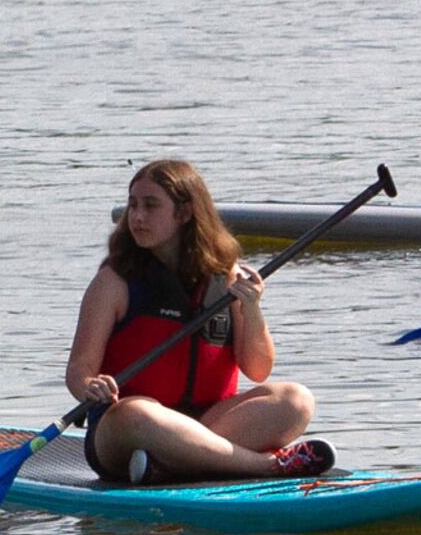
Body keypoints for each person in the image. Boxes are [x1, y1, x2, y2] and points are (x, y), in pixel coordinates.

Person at [65, 158, 331, 487]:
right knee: (136, 414)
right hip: (127, 431)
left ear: (185, 213)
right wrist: (91, 385)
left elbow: (258, 369)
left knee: (297, 400)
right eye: (133, 204)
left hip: (210, 423)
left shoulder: (227, 275)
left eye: (150, 206)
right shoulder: (114, 281)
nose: (136, 216)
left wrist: (252, 308)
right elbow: (79, 370)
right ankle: (264, 466)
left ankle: (172, 467)